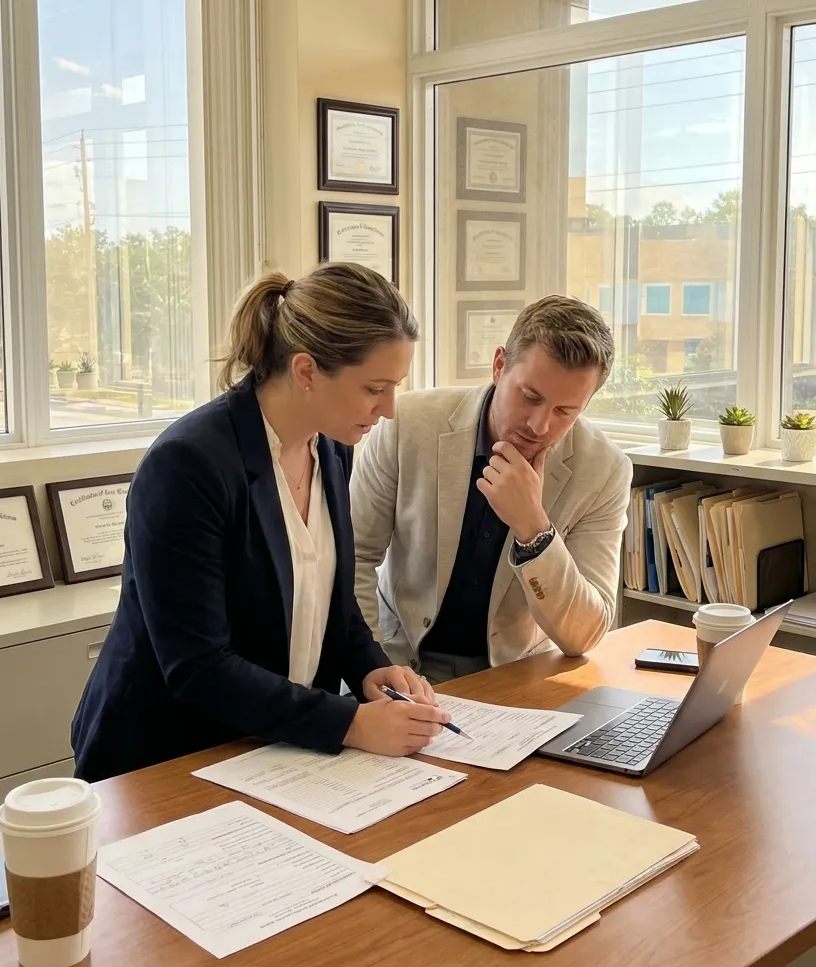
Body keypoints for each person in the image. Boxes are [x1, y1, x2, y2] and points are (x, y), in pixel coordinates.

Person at [72, 263, 449, 781]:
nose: (388, 410)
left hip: (274, 751)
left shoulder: (333, 448)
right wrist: (350, 725)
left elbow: (331, 608)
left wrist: (369, 666)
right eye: (374, 388)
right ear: (306, 371)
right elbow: (198, 667)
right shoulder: (187, 465)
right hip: (166, 756)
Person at [350, 294, 633, 685]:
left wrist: (534, 529)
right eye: (530, 397)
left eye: (565, 411)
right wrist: (372, 665)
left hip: (516, 677)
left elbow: (583, 635)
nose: (539, 425)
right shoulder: (407, 424)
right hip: (397, 658)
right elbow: (354, 559)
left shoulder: (604, 470)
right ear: (499, 365)